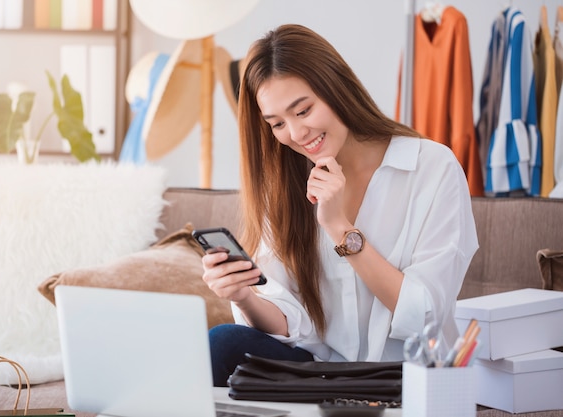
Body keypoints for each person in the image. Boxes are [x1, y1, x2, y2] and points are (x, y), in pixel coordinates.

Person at [201, 23, 479, 387]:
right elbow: (291, 323)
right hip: (320, 374)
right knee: (222, 343)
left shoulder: (432, 168)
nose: (296, 134)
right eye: (277, 123)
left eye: (303, 111)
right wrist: (243, 296)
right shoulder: (285, 185)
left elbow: (424, 311)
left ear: (336, 87)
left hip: (403, 379)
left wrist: (339, 228)